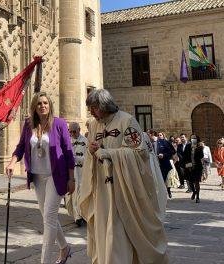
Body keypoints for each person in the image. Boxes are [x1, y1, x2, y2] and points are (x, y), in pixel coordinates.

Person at [78, 89, 168, 264]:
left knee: (119, 232)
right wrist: (92, 151)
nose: (92, 113)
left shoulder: (127, 121)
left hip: (124, 188)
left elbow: (139, 153)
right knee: (105, 230)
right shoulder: (94, 124)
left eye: (94, 108)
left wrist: (108, 153)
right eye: (90, 109)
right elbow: (92, 151)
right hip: (102, 189)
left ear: (105, 106)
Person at [6, 92, 75, 264]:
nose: (42, 106)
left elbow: (68, 151)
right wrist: (12, 162)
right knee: (47, 216)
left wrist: (72, 178)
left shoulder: (59, 123)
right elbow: (21, 146)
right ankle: (65, 248)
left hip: (56, 175)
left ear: (50, 105)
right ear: (34, 107)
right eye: (39, 104)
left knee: (49, 216)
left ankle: (45, 260)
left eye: (45, 103)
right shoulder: (29, 124)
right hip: (37, 176)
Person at [65, 122, 87, 227]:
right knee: (72, 196)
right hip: (70, 173)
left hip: (81, 172)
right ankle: (76, 216)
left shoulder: (85, 141)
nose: (72, 133)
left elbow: (88, 158)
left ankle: (80, 216)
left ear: (79, 130)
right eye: (71, 131)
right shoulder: (67, 141)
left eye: (75, 131)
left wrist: (77, 159)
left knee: (80, 194)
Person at [156, 131, 176, 198]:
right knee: (160, 180)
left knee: (167, 179)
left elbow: (173, 151)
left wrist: (164, 155)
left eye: (160, 135)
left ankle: (168, 191)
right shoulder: (155, 143)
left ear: (163, 136)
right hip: (157, 163)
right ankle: (162, 193)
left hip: (165, 163)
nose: (159, 136)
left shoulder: (166, 142)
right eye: (158, 135)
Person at [186, 134, 204, 203]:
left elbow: (201, 156)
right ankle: (194, 191)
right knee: (190, 181)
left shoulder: (199, 146)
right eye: (192, 138)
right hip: (189, 166)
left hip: (197, 167)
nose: (193, 139)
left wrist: (198, 148)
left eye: (194, 138)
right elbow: (185, 156)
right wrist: (187, 165)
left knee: (196, 182)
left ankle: (198, 197)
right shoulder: (188, 146)